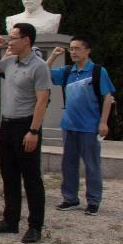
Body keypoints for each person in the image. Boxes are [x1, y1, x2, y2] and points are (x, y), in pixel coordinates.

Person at [0, 24, 51, 244]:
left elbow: (42, 101)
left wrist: (33, 130)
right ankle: (10, 220)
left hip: (26, 125)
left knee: (31, 178)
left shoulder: (39, 66)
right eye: (9, 37)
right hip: (7, 125)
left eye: (13, 38)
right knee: (9, 175)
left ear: (27, 40)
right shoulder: (10, 61)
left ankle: (35, 226)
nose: (10, 42)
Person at [47, 35, 115, 216]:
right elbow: (44, 73)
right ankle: (70, 198)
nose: (73, 52)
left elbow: (107, 97)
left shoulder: (97, 71)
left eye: (77, 48)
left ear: (87, 50)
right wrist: (53, 56)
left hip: (89, 126)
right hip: (69, 125)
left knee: (92, 165)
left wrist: (103, 122)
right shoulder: (67, 71)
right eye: (71, 48)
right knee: (68, 164)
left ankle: (93, 201)